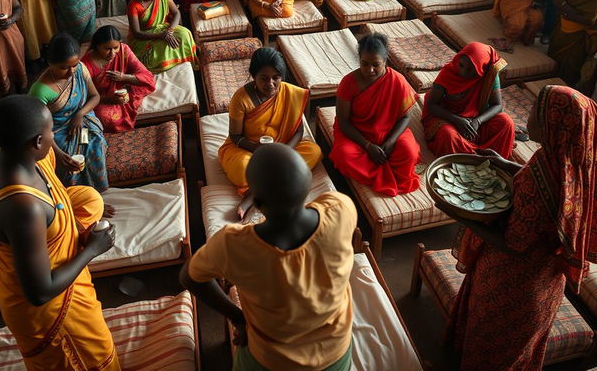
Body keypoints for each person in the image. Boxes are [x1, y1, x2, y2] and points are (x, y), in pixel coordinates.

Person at [445, 85, 597, 371]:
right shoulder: (567, 164)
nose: (526, 116)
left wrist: (462, 215)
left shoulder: (540, 180)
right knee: (515, 353)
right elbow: (544, 189)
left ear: (551, 123)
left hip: (511, 285)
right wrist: (506, 164)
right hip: (546, 283)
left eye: (533, 112)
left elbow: (510, 244)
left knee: (491, 351)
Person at [179, 144, 356, 371]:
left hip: (271, 361)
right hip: (336, 354)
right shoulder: (341, 208)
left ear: (257, 203)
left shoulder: (233, 245)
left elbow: (189, 277)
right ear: (308, 186)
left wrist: (239, 318)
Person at [0, 95, 119, 371]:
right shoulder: (24, 207)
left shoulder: (6, 155)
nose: (54, 136)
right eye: (49, 132)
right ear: (36, 142)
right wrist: (92, 249)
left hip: (38, 257)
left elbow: (55, 192)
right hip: (49, 309)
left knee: (90, 198)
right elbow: (39, 292)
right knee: (90, 359)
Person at [218, 47, 322, 217]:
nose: (270, 84)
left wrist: (283, 152)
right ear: (253, 76)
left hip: (282, 146)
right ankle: (280, 181)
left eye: (276, 78)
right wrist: (258, 149)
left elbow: (298, 131)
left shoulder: (290, 93)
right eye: (264, 78)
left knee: (314, 151)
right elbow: (235, 136)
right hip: (248, 149)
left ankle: (253, 194)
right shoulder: (241, 99)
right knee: (241, 168)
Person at [332, 33, 421, 196]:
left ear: (385, 61)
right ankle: (386, 172)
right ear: (358, 60)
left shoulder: (397, 80)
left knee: (410, 152)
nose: (370, 70)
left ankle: (383, 165)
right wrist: (368, 146)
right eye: (364, 64)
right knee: (343, 156)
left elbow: (406, 117)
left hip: (388, 131)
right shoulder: (348, 82)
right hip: (357, 134)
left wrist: (391, 141)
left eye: (376, 64)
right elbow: (344, 123)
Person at [29, 34, 109, 191]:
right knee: (71, 157)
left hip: (82, 123)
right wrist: (58, 154)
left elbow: (95, 96)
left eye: (74, 65)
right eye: (64, 68)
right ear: (50, 63)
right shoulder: (41, 90)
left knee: (90, 143)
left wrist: (80, 115)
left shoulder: (80, 68)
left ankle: (95, 190)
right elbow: (39, 128)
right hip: (55, 133)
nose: (71, 72)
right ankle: (76, 194)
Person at [422, 43, 515, 158]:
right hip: (449, 118)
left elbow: (497, 105)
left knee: (506, 122)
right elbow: (432, 105)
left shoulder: (489, 76)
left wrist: (478, 121)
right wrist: (458, 120)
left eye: (471, 69)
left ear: (482, 68)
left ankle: (493, 159)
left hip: (476, 121)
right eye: (461, 65)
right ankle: (471, 159)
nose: (464, 72)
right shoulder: (448, 73)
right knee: (447, 135)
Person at [81, 25, 156, 133]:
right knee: (105, 117)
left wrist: (124, 77)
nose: (112, 53)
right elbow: (85, 95)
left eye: (115, 48)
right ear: (97, 46)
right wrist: (110, 99)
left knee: (146, 82)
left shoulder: (124, 50)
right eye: (107, 49)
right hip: (100, 98)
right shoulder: (86, 64)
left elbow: (145, 75)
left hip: (123, 89)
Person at [127, 0, 197, 73]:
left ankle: (186, 62)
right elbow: (136, 33)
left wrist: (169, 31)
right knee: (162, 47)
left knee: (185, 34)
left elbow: (176, 13)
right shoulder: (133, 5)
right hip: (145, 36)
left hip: (163, 28)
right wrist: (161, 36)